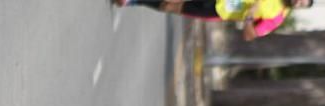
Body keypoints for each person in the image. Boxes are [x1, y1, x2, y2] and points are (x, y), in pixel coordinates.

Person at [116, 0, 314, 41]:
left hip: (218, 10)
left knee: (170, 6)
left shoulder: (277, 17)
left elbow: (250, 35)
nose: (298, 2)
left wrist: (249, 17)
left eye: (301, 4)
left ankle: (134, 1)